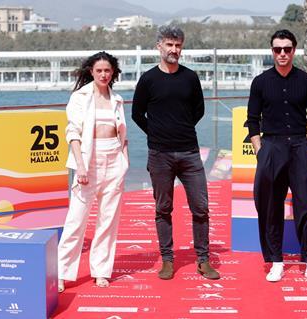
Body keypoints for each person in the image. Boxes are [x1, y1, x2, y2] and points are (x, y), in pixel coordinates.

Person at [132, 26, 220, 280]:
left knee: (201, 207)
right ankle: (167, 259)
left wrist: (180, 128)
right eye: (169, 44)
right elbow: (137, 114)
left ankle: (203, 260)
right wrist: (156, 132)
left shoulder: (190, 78)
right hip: (159, 154)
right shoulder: (148, 79)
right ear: (159, 46)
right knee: (163, 208)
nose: (174, 50)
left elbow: (199, 110)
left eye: (178, 45)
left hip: (190, 153)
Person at [246, 29, 307, 283]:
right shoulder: (260, 82)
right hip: (271, 148)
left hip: (301, 148)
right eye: (277, 49)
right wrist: (260, 151)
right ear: (272, 51)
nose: (282, 54)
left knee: (306, 207)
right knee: (270, 208)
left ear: (294, 50)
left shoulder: (306, 81)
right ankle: (276, 262)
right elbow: (252, 121)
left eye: (287, 49)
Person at [58, 51, 129, 292]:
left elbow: (123, 134)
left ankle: (101, 271)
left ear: (113, 72)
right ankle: (61, 273)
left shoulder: (117, 99)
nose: (103, 74)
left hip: (114, 160)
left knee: (108, 220)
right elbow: (73, 133)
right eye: (99, 70)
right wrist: (80, 165)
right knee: (76, 219)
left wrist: (124, 162)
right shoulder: (80, 97)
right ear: (91, 71)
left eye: (107, 70)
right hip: (88, 160)